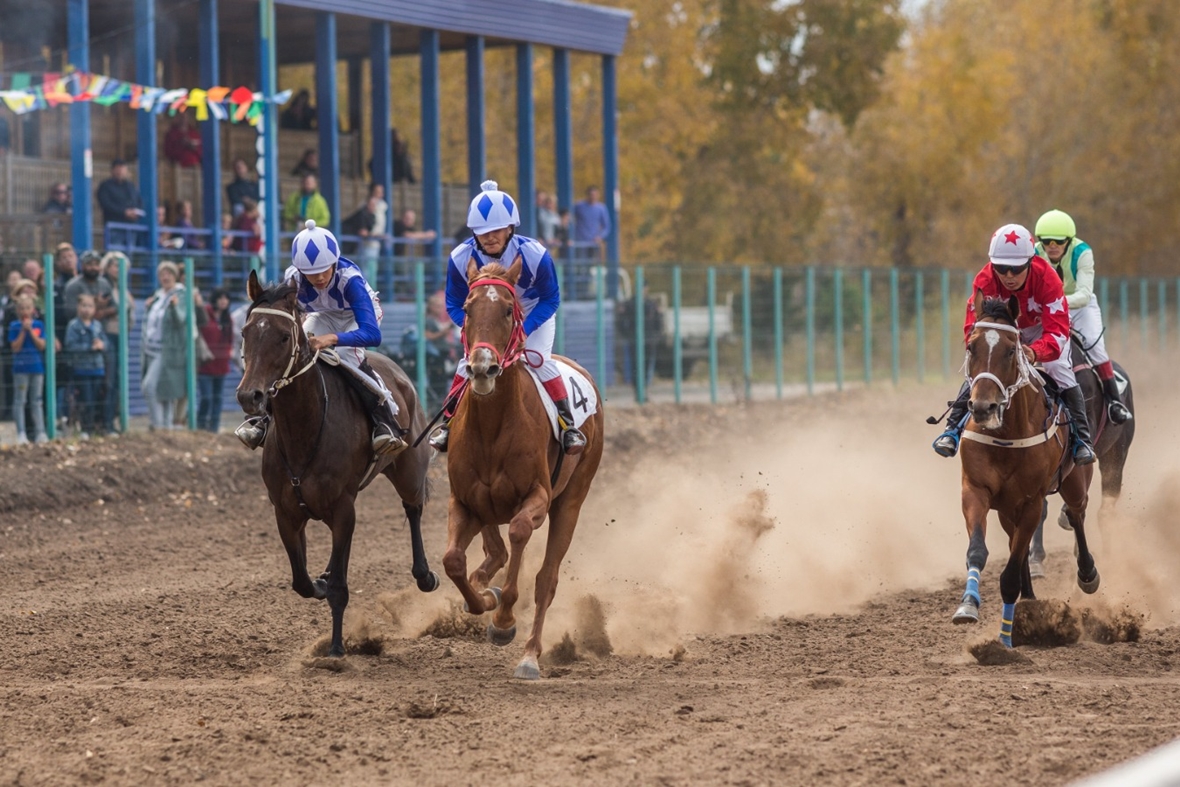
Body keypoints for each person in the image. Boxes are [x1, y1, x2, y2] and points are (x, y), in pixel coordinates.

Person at [428, 180, 587, 456]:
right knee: (469, 362)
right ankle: (447, 424)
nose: (489, 237)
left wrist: (524, 328)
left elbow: (551, 298)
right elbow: (454, 302)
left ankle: (567, 426)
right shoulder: (459, 257)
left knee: (537, 359)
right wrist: (473, 326)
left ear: (510, 228)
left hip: (530, 311)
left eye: (497, 230)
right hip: (486, 316)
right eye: (482, 232)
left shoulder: (535, 254)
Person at [234, 220, 408, 456]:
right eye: (311, 273)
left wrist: (331, 339)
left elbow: (372, 335)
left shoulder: (350, 281)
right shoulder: (293, 277)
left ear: (334, 262)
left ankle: (384, 421)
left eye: (325, 269)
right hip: (322, 315)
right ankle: (264, 419)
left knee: (347, 356)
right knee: (293, 355)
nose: (319, 277)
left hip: (356, 318)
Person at [932, 223, 1095, 465]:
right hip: (1005, 330)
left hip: (1043, 329)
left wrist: (1034, 352)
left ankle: (1082, 439)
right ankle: (952, 430)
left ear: (1030, 261)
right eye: (1001, 268)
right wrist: (980, 347)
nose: (1008, 275)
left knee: (1058, 369)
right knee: (983, 369)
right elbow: (972, 327)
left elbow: (1059, 333)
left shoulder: (1048, 279)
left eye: (1016, 269)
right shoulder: (984, 280)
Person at [1034, 209, 1131, 424]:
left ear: (1069, 240)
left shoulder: (1083, 252)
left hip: (1080, 306)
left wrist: (1056, 304)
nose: (1051, 246)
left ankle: (1114, 402)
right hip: (1046, 308)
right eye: (1046, 240)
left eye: (1058, 241)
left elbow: (1085, 293)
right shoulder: (1034, 253)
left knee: (1095, 349)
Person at [141, 261, 200, 431]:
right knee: (162, 390)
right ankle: (166, 427)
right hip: (150, 349)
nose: (165, 277)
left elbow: (181, 320)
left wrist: (174, 308)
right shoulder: (158, 295)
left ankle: (157, 425)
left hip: (167, 351)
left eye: (169, 274)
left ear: (175, 276)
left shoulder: (181, 295)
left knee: (149, 387)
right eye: (162, 274)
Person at [100, 252, 133, 433]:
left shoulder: (124, 289)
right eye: (114, 265)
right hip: (108, 336)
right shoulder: (104, 285)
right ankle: (107, 422)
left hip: (122, 336)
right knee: (110, 381)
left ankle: (118, 420)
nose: (118, 269)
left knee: (120, 381)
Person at [8, 295, 47, 444]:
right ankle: (21, 433)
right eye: (22, 308)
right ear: (17, 310)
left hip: (37, 368)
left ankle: (40, 432)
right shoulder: (14, 326)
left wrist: (30, 330)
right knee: (20, 400)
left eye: (28, 308)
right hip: (20, 369)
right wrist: (23, 331)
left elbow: (41, 345)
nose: (25, 311)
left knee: (36, 401)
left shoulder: (39, 325)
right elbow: (15, 347)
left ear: (33, 310)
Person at [64, 293, 105, 438]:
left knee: (95, 399)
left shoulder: (98, 325)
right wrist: (89, 347)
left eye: (90, 306)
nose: (87, 309)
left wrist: (102, 345)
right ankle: (84, 429)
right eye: (84, 306)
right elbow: (70, 346)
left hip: (97, 368)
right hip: (82, 369)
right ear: (78, 307)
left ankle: (93, 427)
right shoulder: (73, 326)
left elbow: (104, 342)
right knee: (85, 400)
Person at [197, 289, 234, 433]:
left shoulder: (227, 318)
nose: (224, 301)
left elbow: (230, 340)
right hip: (205, 364)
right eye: (220, 298)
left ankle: (214, 427)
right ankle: (201, 424)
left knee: (218, 398)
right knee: (206, 397)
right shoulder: (205, 313)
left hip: (221, 365)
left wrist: (228, 353)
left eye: (226, 298)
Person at [96, 160, 145, 226]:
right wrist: (124, 212)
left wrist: (136, 212)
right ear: (112, 170)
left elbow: (139, 200)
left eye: (123, 170)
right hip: (114, 225)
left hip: (132, 225)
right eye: (118, 170)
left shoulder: (130, 186)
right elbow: (106, 204)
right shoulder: (105, 186)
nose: (121, 172)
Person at [571, 185, 611, 261]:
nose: (593, 197)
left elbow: (606, 226)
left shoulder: (601, 208)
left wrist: (600, 236)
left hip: (593, 242)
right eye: (591, 195)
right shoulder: (579, 206)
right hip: (580, 241)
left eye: (595, 195)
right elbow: (569, 218)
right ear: (587, 195)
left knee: (591, 262)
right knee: (579, 262)